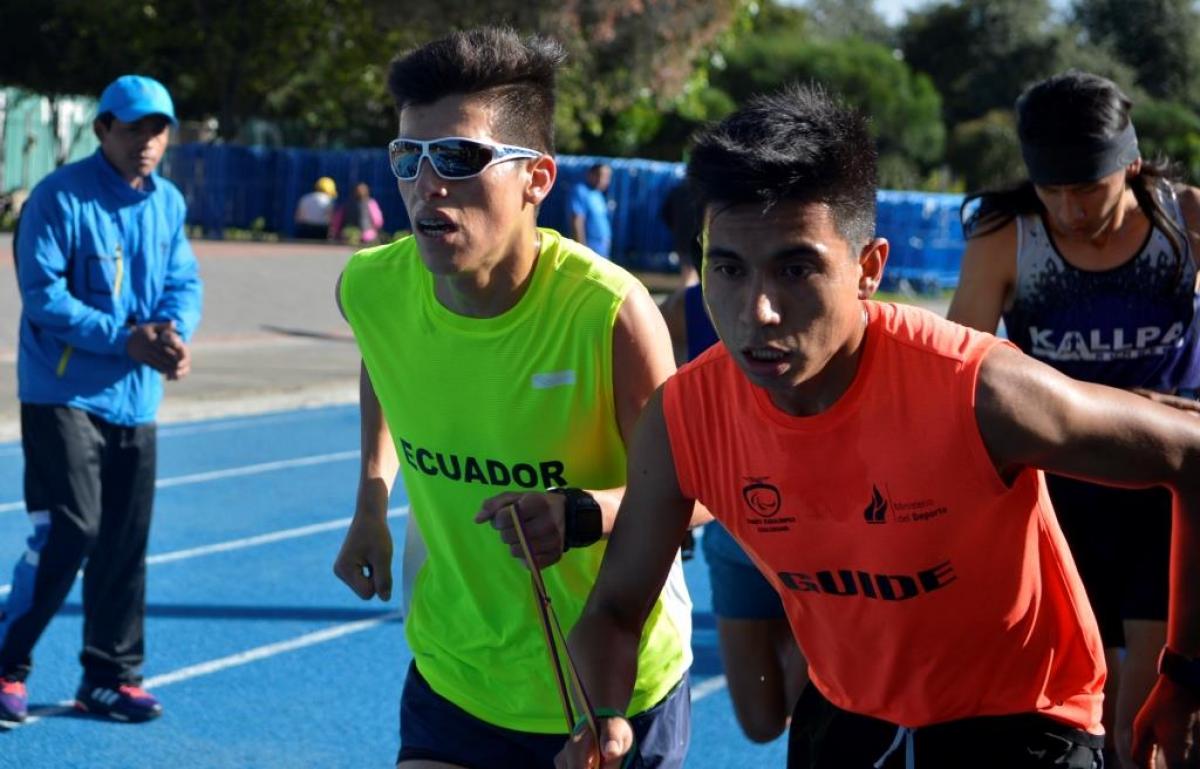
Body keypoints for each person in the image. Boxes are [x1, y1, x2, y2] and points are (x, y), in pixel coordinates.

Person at [557, 84, 1200, 769]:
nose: (759, 311)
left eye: (797, 268)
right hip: (849, 715)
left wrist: (1186, 675)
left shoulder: (981, 391)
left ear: (869, 269)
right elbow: (617, 607)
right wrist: (604, 719)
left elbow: (1190, 453)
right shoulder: (684, 415)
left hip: (1021, 725)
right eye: (729, 269)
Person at [331, 28, 694, 769]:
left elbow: (691, 492)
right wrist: (372, 497)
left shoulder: (609, 313)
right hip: (455, 671)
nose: (427, 185)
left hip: (607, 687)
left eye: (459, 159)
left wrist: (583, 512)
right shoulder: (371, 287)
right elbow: (383, 361)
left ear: (537, 178)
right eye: (409, 158)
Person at [947, 70, 1200, 768]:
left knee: (1148, 724)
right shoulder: (1007, 237)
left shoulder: (1185, 223)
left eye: (1088, 188)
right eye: (1051, 190)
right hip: (1060, 491)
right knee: (1083, 716)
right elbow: (959, 374)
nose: (1069, 209)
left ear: (1132, 164)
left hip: (1166, 494)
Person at [0, 74, 202, 724]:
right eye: (134, 126)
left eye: (158, 128)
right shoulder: (58, 198)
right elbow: (44, 297)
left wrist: (172, 334)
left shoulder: (167, 201)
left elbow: (183, 277)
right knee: (69, 528)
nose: (148, 140)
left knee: (123, 539)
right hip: (61, 393)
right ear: (102, 129)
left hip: (135, 398)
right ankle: (7, 662)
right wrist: (125, 340)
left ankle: (109, 676)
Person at [659, 269, 807, 743]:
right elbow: (651, 414)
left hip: (822, 536)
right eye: (726, 263)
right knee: (761, 723)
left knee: (819, 716)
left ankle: (806, 638)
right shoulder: (681, 313)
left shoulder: (812, 306)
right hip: (735, 528)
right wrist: (666, 502)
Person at [570, 162, 613, 258]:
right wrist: (582, 248)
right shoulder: (580, 191)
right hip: (589, 248)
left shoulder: (598, 194)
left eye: (607, 177)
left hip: (602, 248)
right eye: (602, 176)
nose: (605, 180)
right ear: (590, 174)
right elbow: (577, 220)